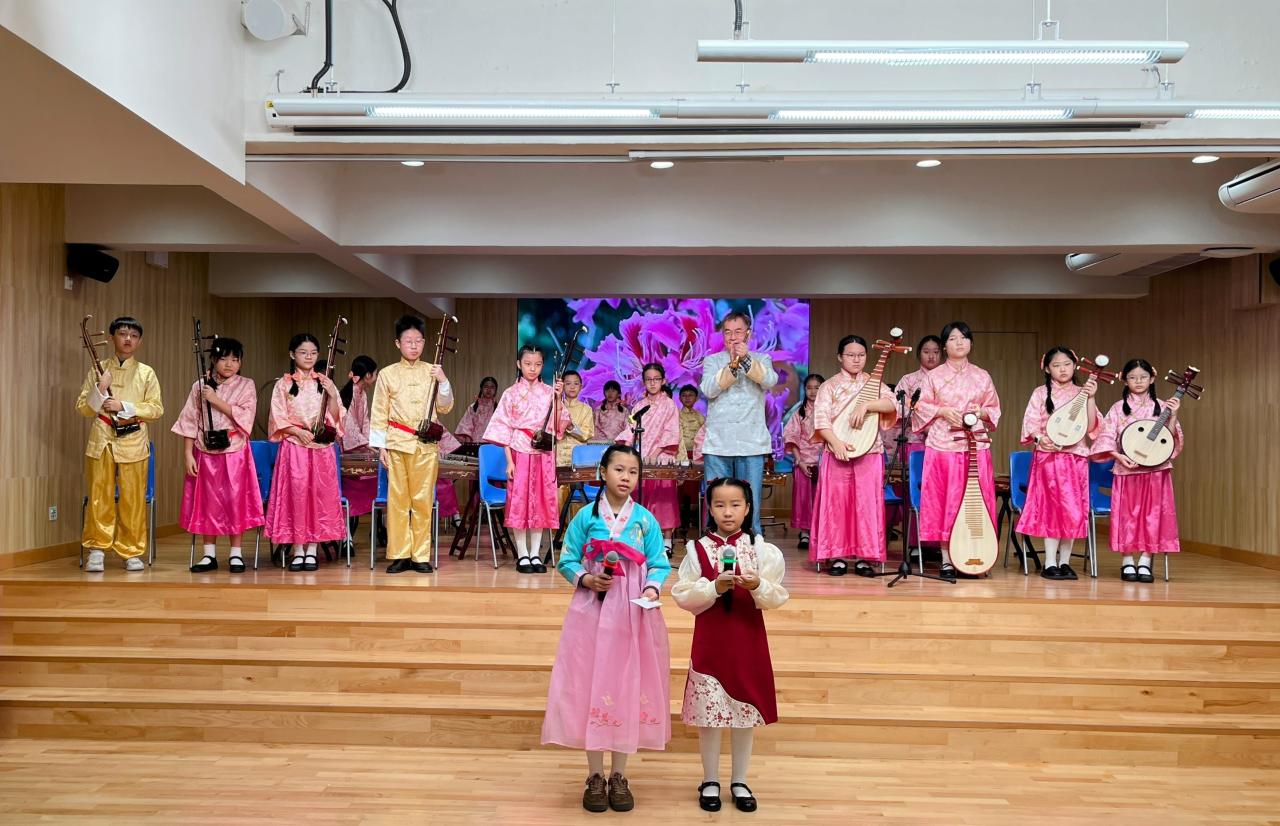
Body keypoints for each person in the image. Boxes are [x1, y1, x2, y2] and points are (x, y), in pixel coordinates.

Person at [541, 445, 672, 814]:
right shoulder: (585, 516)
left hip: (632, 611)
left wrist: (651, 588)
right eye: (619, 469)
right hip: (592, 610)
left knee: (627, 683)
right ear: (602, 472)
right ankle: (595, 775)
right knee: (591, 683)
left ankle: (619, 775)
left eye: (633, 471)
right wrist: (586, 579)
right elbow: (567, 559)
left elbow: (659, 563)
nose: (626, 477)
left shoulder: (645, 519)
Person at [672, 477, 788, 813]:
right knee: (709, 716)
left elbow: (776, 597)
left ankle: (740, 780)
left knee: (744, 714)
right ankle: (710, 779)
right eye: (719, 505)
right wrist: (713, 588)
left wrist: (757, 585)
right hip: (711, 642)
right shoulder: (696, 550)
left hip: (747, 641)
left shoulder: (762, 551)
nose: (727, 512)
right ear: (709, 509)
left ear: (748, 508)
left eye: (735, 505)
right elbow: (683, 595)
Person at [912, 322, 1001, 580]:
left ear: (971, 342)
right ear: (944, 346)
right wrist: (941, 411)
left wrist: (981, 413)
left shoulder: (982, 375)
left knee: (976, 501)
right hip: (943, 446)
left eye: (964, 337)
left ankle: (976, 555)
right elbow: (919, 406)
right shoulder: (934, 376)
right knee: (945, 500)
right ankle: (947, 559)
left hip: (975, 445)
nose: (959, 342)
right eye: (953, 339)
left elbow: (994, 408)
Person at [76, 316, 164, 573]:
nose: (128, 339)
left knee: (132, 499)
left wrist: (123, 406)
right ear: (112, 337)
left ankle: (131, 550)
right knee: (99, 495)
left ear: (139, 341)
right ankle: (97, 549)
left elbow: (156, 409)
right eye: (123, 334)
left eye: (134, 336)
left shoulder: (146, 372)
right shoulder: (99, 368)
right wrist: (100, 388)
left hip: (133, 440)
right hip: (102, 438)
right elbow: (82, 408)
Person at [369, 314, 455, 574]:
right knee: (397, 501)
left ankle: (420, 555)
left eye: (418, 340)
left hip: (425, 445)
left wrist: (443, 381)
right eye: (408, 341)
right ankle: (400, 554)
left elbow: (445, 407)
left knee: (422, 500)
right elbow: (379, 411)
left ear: (425, 342)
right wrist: (381, 447)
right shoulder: (387, 374)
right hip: (397, 443)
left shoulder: (432, 371)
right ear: (398, 343)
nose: (414, 346)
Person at [172, 337, 262, 574]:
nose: (230, 364)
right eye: (224, 358)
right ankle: (209, 554)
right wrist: (187, 453)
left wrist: (215, 399)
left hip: (235, 450)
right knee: (207, 501)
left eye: (235, 359)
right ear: (213, 359)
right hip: (205, 449)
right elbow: (190, 420)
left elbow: (246, 417)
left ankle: (236, 554)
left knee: (235, 500)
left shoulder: (246, 385)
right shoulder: (199, 385)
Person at [811, 337, 897, 576]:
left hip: (869, 452)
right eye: (850, 355)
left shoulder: (874, 383)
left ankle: (864, 556)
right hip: (836, 451)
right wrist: (835, 443)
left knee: (866, 504)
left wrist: (867, 406)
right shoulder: (829, 386)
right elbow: (821, 420)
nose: (856, 359)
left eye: (861, 355)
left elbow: (893, 404)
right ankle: (837, 556)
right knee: (837, 505)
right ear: (840, 357)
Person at [1091, 359, 1183, 583]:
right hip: (1127, 469)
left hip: (1155, 470)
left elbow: (1168, 439)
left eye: (1143, 377)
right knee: (1127, 516)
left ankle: (1145, 560)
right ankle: (1127, 561)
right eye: (1133, 377)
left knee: (1152, 516)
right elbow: (1106, 437)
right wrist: (1118, 456)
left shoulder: (1163, 406)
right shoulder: (1118, 408)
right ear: (1125, 380)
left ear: (1152, 379)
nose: (1138, 381)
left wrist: (1174, 415)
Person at [482, 345, 569, 573]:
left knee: (540, 501)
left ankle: (535, 554)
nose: (533, 369)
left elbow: (560, 425)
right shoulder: (510, 393)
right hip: (519, 451)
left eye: (538, 364)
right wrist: (509, 461)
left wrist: (559, 399)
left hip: (543, 453)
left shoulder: (549, 392)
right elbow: (504, 429)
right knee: (519, 503)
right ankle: (522, 555)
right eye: (528, 364)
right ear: (519, 364)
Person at [265, 333, 347, 572]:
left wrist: (333, 393)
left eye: (313, 353)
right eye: (303, 352)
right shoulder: (283, 384)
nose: (309, 357)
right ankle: (298, 549)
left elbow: (336, 416)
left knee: (317, 497)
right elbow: (277, 416)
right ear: (292, 354)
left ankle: (312, 549)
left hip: (321, 449)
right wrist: (297, 432)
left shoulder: (324, 382)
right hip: (295, 447)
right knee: (297, 496)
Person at [1019, 347, 1100, 580]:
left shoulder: (1082, 392)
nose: (1062, 369)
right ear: (1047, 368)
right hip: (1049, 458)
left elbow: (1092, 426)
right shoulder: (1039, 393)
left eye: (1067, 364)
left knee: (1073, 510)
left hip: (1075, 458)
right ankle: (1050, 562)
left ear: (1075, 366)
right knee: (1052, 509)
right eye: (1056, 365)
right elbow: (1030, 424)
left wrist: (1091, 398)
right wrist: (1040, 439)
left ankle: (1065, 562)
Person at [699, 311, 778, 536]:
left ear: (748, 334)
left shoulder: (762, 359)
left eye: (738, 332)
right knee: (717, 500)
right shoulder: (712, 361)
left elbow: (769, 380)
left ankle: (752, 546)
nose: (732, 337)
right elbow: (708, 389)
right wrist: (733, 365)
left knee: (749, 503)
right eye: (727, 332)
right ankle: (714, 545)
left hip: (751, 443)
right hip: (718, 444)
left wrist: (746, 360)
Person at [618, 363, 681, 551]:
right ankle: (641, 540)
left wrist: (655, 453)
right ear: (644, 382)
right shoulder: (639, 405)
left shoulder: (669, 405)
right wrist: (623, 447)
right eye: (648, 380)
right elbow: (630, 429)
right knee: (640, 498)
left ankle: (667, 542)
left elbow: (671, 432)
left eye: (656, 379)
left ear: (663, 381)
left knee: (664, 499)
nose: (652, 383)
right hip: (640, 458)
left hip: (662, 458)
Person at [781, 374, 823, 550]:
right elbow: (791, 436)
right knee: (804, 499)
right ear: (804, 390)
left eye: (817, 387)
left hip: (825, 463)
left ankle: (822, 533)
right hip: (803, 461)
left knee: (822, 499)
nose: (813, 391)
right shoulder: (799, 411)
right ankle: (805, 533)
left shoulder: (831, 410)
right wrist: (799, 461)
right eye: (809, 388)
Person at [557, 369, 597, 512]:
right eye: (568, 384)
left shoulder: (586, 409)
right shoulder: (556, 407)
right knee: (558, 495)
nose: (572, 387)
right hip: (558, 458)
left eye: (576, 383)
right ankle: (559, 526)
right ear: (562, 386)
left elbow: (587, 434)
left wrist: (571, 427)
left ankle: (576, 525)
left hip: (577, 460)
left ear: (581, 386)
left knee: (577, 495)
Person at [455, 376, 498, 443]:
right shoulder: (473, 407)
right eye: (486, 387)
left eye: (492, 387)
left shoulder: (499, 409)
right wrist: (469, 446)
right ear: (481, 389)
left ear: (495, 390)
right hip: (475, 444)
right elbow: (466, 429)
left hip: (493, 445)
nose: (489, 390)